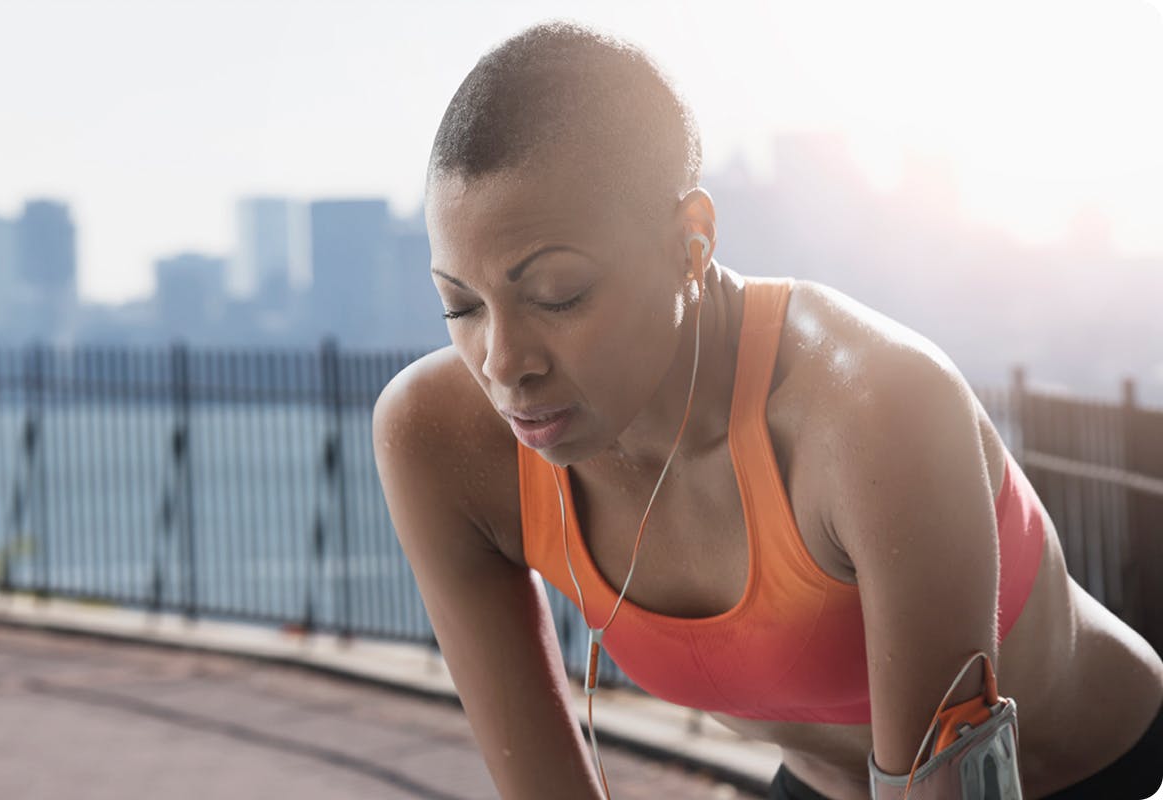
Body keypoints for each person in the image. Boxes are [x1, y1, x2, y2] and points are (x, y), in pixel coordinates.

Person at [372, 21, 1163, 800]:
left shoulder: (874, 410)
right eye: (461, 307)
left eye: (559, 295)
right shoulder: (439, 444)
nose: (504, 364)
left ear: (691, 243)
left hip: (1109, 774)